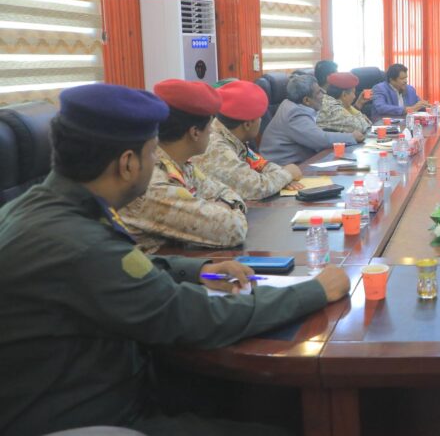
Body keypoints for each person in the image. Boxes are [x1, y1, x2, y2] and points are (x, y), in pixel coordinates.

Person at [0, 83, 351, 435]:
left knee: (260, 401)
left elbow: (123, 268)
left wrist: (198, 269)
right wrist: (313, 291)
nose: (157, 162)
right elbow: (192, 315)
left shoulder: (40, 208)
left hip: (103, 380)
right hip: (94, 416)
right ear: (128, 163)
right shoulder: (79, 242)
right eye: (152, 153)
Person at [119, 80, 248, 253]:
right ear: (195, 132)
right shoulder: (152, 182)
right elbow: (233, 229)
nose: (212, 131)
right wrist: (224, 209)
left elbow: (226, 192)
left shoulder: (180, 165)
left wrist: (224, 206)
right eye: (209, 125)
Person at [192, 80, 302, 200]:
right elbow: (255, 188)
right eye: (259, 118)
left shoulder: (230, 136)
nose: (261, 121)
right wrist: (287, 174)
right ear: (248, 124)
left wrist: (281, 178)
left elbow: (260, 165)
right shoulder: (215, 146)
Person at [261, 73, 360, 166]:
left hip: (299, 161)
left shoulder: (292, 104)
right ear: (307, 100)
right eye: (318, 92)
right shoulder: (294, 114)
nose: (324, 93)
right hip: (284, 167)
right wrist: (351, 137)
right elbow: (321, 139)